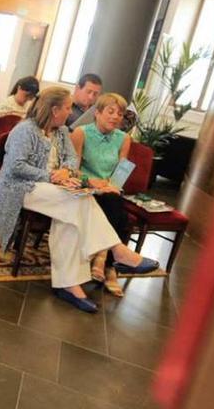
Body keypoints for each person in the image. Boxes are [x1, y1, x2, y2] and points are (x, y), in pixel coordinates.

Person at [0, 87, 159, 313]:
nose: (71, 112)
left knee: (71, 215)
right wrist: (52, 175)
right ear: (54, 110)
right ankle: (117, 250)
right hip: (21, 187)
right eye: (68, 107)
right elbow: (16, 167)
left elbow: (72, 159)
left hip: (52, 188)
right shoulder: (25, 130)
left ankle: (68, 285)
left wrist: (66, 174)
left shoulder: (61, 132)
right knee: (79, 200)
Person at [70, 93, 133, 297]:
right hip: (86, 186)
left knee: (115, 206)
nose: (115, 117)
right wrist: (93, 183)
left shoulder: (124, 138)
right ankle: (109, 265)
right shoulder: (81, 133)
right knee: (114, 209)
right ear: (97, 113)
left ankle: (103, 257)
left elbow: (122, 169)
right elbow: (72, 169)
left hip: (110, 189)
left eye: (120, 113)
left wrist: (112, 186)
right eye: (110, 111)